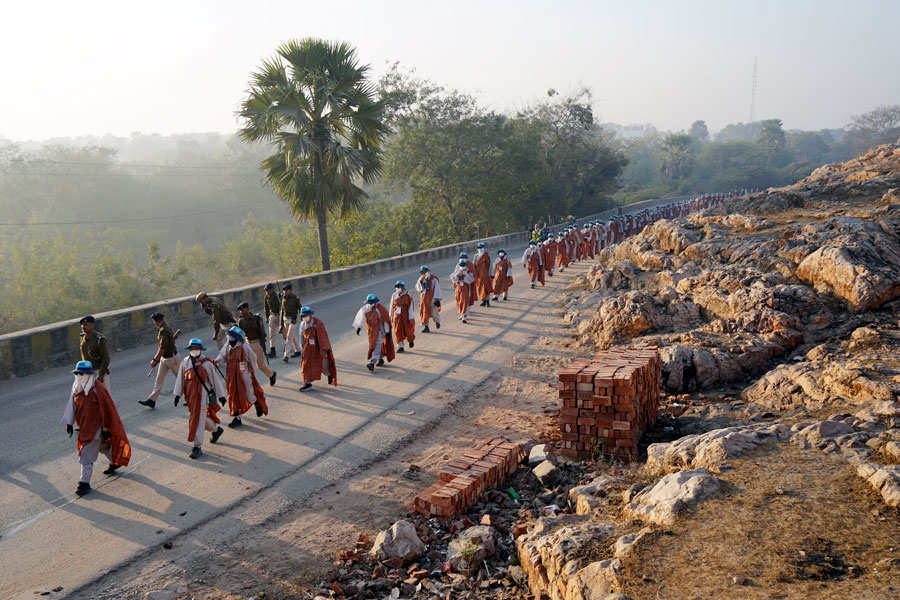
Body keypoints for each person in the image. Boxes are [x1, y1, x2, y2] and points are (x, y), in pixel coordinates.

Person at [61, 360, 131, 496]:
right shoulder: (77, 386)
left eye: (81, 373)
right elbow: (72, 403)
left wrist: (105, 430)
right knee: (103, 447)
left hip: (96, 427)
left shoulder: (98, 389)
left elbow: (107, 410)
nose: (79, 376)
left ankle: (84, 483)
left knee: (86, 455)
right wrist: (69, 423)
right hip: (84, 425)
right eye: (77, 373)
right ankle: (115, 462)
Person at [173, 339, 226, 459]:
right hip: (190, 398)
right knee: (200, 418)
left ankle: (197, 446)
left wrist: (221, 396)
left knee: (197, 419)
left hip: (203, 397)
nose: (194, 350)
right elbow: (180, 380)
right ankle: (216, 429)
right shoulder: (185, 362)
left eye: (196, 348)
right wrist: (177, 395)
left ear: (201, 349)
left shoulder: (207, 363)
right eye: (192, 348)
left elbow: (215, 380)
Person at [215, 326, 268, 428]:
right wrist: (218, 362)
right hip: (231, 375)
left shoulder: (245, 347)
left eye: (232, 340)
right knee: (233, 395)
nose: (230, 342)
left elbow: (252, 358)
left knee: (248, 394)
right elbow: (222, 356)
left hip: (244, 375)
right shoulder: (227, 346)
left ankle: (257, 403)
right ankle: (236, 417)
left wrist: (251, 370)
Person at [140, 312, 181, 409]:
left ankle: (192, 397)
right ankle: (152, 400)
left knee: (181, 380)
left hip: (171, 358)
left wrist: (154, 359)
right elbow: (170, 341)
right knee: (159, 380)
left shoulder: (164, 330)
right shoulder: (166, 327)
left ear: (155, 321)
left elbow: (162, 348)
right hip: (165, 358)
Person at [237, 301, 277, 386]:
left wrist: (263, 346)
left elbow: (262, 333)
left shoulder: (256, 319)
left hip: (257, 343)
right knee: (248, 364)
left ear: (248, 309)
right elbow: (239, 332)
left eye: (243, 310)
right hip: (248, 343)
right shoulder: (241, 321)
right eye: (241, 311)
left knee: (260, 365)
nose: (242, 312)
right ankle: (250, 383)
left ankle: (272, 374)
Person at [353, 294, 395, 371]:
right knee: (374, 345)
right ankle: (381, 358)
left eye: (372, 302)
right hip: (371, 332)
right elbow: (362, 319)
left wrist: (387, 331)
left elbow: (385, 321)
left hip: (379, 331)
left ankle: (372, 362)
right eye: (370, 302)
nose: (371, 304)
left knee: (377, 346)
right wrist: (359, 328)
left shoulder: (381, 309)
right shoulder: (365, 309)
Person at [299, 306, 337, 391]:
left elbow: (323, 336)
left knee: (323, 365)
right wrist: (302, 349)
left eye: (306, 315)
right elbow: (301, 337)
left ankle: (329, 374)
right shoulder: (302, 325)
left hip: (318, 348)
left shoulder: (317, 323)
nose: (305, 317)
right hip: (308, 349)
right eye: (303, 316)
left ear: (310, 315)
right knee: (305, 365)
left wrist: (323, 349)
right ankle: (307, 383)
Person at [79, 315, 111, 392]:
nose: (83, 327)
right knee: (89, 398)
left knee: (104, 397)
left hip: (98, 371)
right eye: (82, 325)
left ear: (92, 325)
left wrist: (101, 375)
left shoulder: (99, 339)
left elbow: (105, 358)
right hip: (87, 372)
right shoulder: (82, 338)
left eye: (86, 325)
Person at [389, 281, 416, 352]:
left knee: (407, 330)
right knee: (397, 331)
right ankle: (400, 346)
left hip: (405, 316)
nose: (398, 288)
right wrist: (391, 316)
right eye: (397, 287)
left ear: (403, 288)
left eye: (399, 287)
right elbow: (391, 306)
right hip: (397, 317)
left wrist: (411, 318)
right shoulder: (394, 295)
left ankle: (410, 340)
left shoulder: (408, 296)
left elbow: (410, 307)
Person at [415, 265, 442, 333]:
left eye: (425, 271)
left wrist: (437, 299)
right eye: (422, 272)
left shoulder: (433, 279)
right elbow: (418, 288)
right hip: (424, 300)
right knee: (424, 313)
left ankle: (437, 321)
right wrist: (421, 282)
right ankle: (426, 327)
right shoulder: (420, 279)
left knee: (433, 314)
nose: (424, 273)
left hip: (432, 299)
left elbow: (437, 289)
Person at [280, 283, 302, 362]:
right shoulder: (283, 299)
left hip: (293, 319)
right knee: (292, 336)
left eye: (286, 290)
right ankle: (298, 350)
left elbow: (300, 307)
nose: (285, 292)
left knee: (289, 337)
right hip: (286, 319)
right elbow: (282, 311)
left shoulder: (294, 298)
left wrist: (302, 316)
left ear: (290, 290)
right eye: (284, 291)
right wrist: (281, 323)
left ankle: (286, 355)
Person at [450, 259, 475, 323]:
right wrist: (456, 275)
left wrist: (466, 274)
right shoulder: (456, 271)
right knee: (459, 301)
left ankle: (464, 315)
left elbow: (472, 280)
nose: (462, 266)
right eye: (461, 265)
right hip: (458, 288)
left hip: (465, 288)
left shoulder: (468, 272)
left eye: (463, 265)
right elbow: (453, 279)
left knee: (465, 301)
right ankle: (461, 313)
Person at [263, 283, 284, 358]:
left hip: (279, 316)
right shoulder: (266, 297)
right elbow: (266, 308)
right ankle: (272, 350)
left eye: (268, 290)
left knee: (285, 332)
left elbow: (283, 305)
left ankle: (289, 345)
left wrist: (281, 298)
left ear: (272, 289)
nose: (267, 292)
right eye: (266, 290)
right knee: (271, 334)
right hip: (272, 316)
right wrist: (266, 317)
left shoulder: (278, 296)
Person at [473, 242, 494, 307]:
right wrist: (472, 274)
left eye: (481, 248)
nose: (480, 249)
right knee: (480, 288)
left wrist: (491, 274)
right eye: (479, 248)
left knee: (486, 288)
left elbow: (491, 265)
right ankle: (484, 301)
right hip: (478, 276)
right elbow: (473, 266)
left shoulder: (488, 256)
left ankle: (487, 301)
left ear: (484, 248)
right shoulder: (476, 256)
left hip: (486, 275)